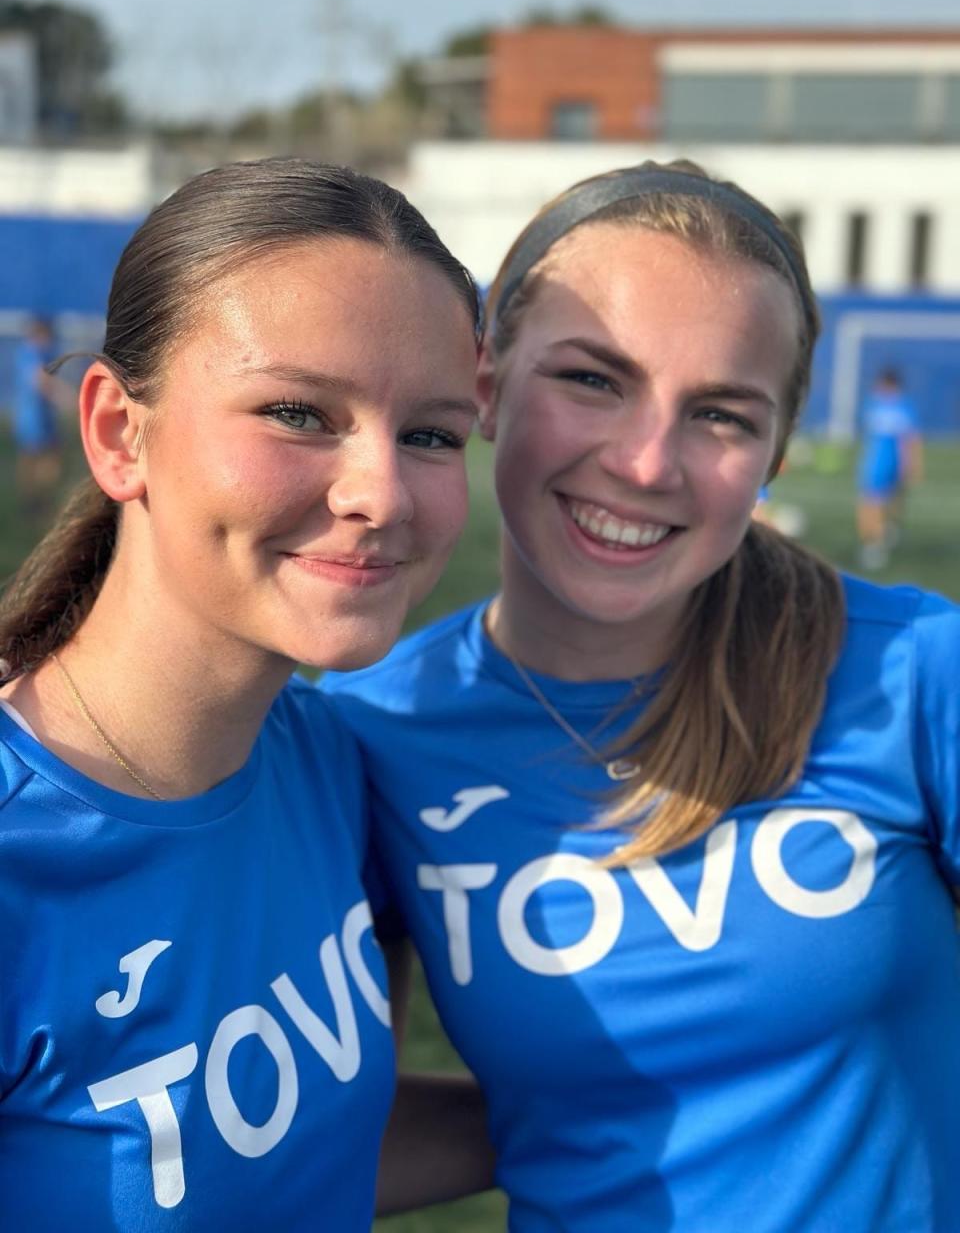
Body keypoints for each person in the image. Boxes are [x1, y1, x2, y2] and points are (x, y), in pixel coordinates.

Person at [324, 161, 960, 1232]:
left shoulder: (916, 673)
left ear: (775, 454)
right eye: (592, 379)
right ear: (486, 384)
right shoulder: (368, 733)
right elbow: (335, 1134)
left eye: (719, 412)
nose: (647, 461)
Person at [0, 158, 487, 1230]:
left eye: (433, 434)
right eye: (299, 412)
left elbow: (309, 1143)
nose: (382, 492)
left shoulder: (326, 762)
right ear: (120, 433)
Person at [856, 366, 923, 570]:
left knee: (870, 501)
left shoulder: (877, 405)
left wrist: (912, 462)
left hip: (879, 460)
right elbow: (911, 438)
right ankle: (887, 532)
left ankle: (874, 545)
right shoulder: (901, 406)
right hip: (891, 460)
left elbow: (910, 437)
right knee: (887, 498)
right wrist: (912, 463)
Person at [11, 316, 71, 517]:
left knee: (45, 459)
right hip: (33, 418)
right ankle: (34, 503)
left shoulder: (39, 353)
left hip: (41, 417)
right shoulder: (30, 353)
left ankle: (37, 502)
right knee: (38, 459)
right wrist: (66, 396)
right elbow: (40, 381)